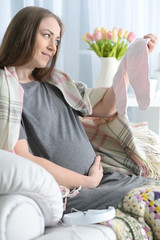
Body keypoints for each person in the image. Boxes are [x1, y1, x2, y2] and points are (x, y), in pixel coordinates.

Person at [0, 6, 158, 213]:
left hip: (103, 178)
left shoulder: (56, 82)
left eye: (56, 40)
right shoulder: (7, 92)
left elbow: (105, 108)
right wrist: (87, 181)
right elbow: (24, 157)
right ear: (23, 33)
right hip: (76, 192)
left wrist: (130, 62)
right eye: (47, 36)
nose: (53, 47)